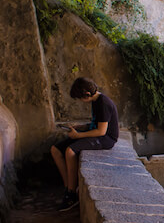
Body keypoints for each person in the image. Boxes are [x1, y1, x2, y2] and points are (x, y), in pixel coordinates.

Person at [51, 77, 119, 211]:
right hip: (96, 133)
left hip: (106, 139)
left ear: (87, 94)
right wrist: (80, 127)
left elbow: (101, 131)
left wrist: (78, 135)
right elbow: (95, 123)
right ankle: (68, 187)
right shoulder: (96, 101)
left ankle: (71, 194)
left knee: (70, 151)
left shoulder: (103, 103)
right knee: (55, 149)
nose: (81, 101)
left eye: (80, 98)